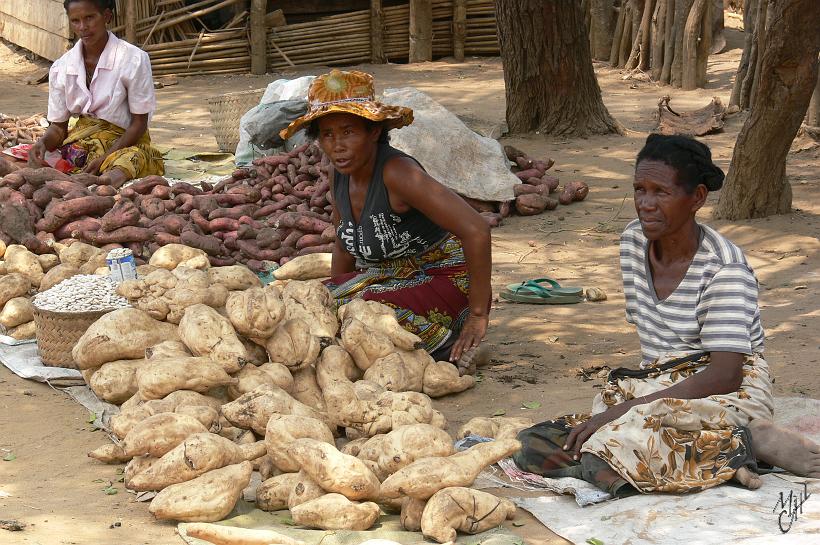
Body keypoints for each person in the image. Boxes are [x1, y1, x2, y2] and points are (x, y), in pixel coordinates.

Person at [513, 134, 820, 496]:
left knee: (611, 448)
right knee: (531, 444)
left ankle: (743, 442)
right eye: (639, 189)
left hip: (725, 390)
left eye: (661, 192)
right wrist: (630, 408)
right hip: (656, 382)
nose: (645, 204)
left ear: (697, 198)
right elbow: (654, 353)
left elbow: (725, 374)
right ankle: (726, 453)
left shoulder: (724, 269)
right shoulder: (633, 241)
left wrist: (628, 411)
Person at [279, 70, 492, 372]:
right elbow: (343, 243)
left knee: (364, 311)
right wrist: (336, 288)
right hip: (389, 277)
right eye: (327, 135)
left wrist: (478, 315)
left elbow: (477, 230)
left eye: (348, 132)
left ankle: (449, 349)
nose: (337, 145)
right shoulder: (339, 174)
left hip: (444, 279)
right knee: (311, 301)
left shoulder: (398, 173)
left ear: (374, 131)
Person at [27, 0, 163, 187]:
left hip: (125, 143)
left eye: (89, 18)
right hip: (82, 145)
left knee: (134, 159)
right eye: (75, 21)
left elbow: (139, 124)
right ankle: (86, 179)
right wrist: (42, 143)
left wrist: (105, 157)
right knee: (32, 157)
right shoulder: (61, 67)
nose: (82, 27)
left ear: (107, 16)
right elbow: (58, 128)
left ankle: (103, 182)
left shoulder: (133, 59)